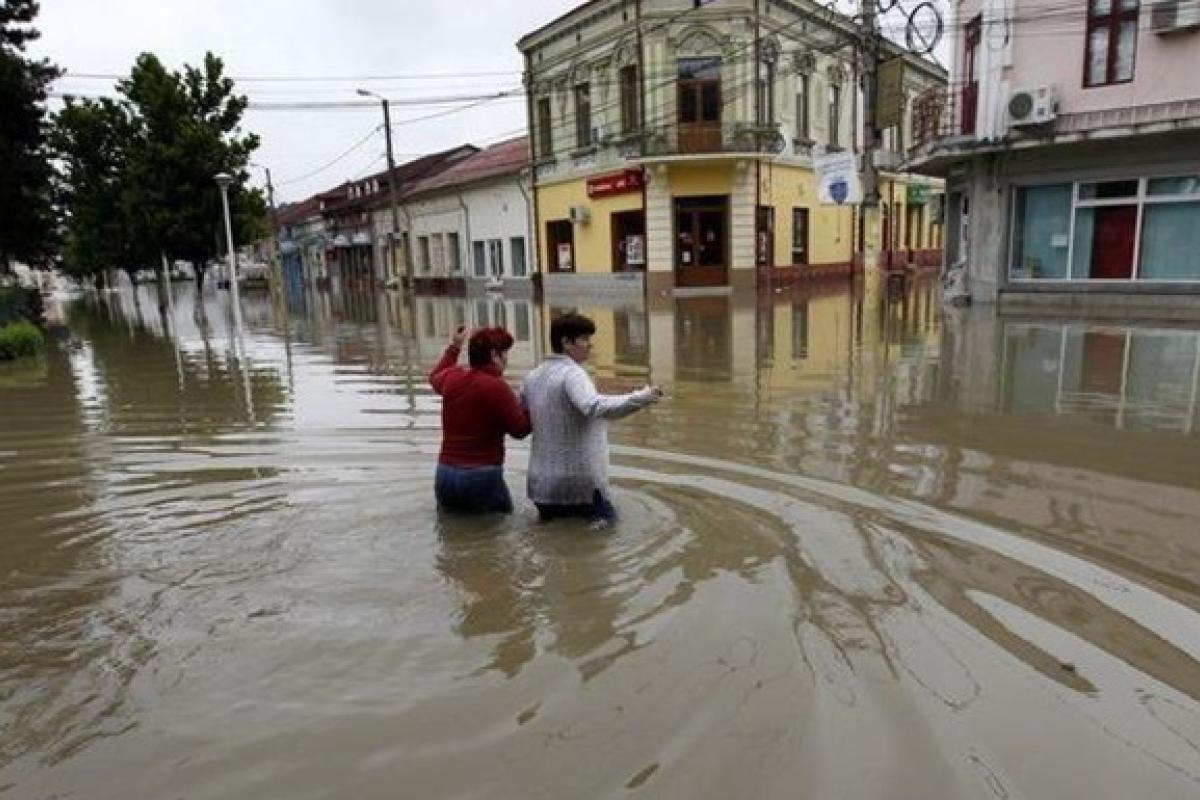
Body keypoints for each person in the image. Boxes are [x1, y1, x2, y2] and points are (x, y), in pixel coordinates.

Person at [521, 313, 663, 524]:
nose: (590, 345)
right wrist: (642, 398)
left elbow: (525, 417)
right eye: (585, 339)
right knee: (605, 536)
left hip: (542, 486)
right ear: (566, 342)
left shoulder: (533, 376)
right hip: (580, 486)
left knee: (554, 546)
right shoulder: (573, 374)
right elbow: (593, 406)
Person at [429, 325, 531, 514]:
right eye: (505, 354)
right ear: (494, 354)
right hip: (481, 477)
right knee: (496, 536)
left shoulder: (452, 378)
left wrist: (455, 346)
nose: (507, 360)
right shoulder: (497, 387)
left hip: (445, 475)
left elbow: (434, 376)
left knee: (453, 539)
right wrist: (534, 406)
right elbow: (520, 430)